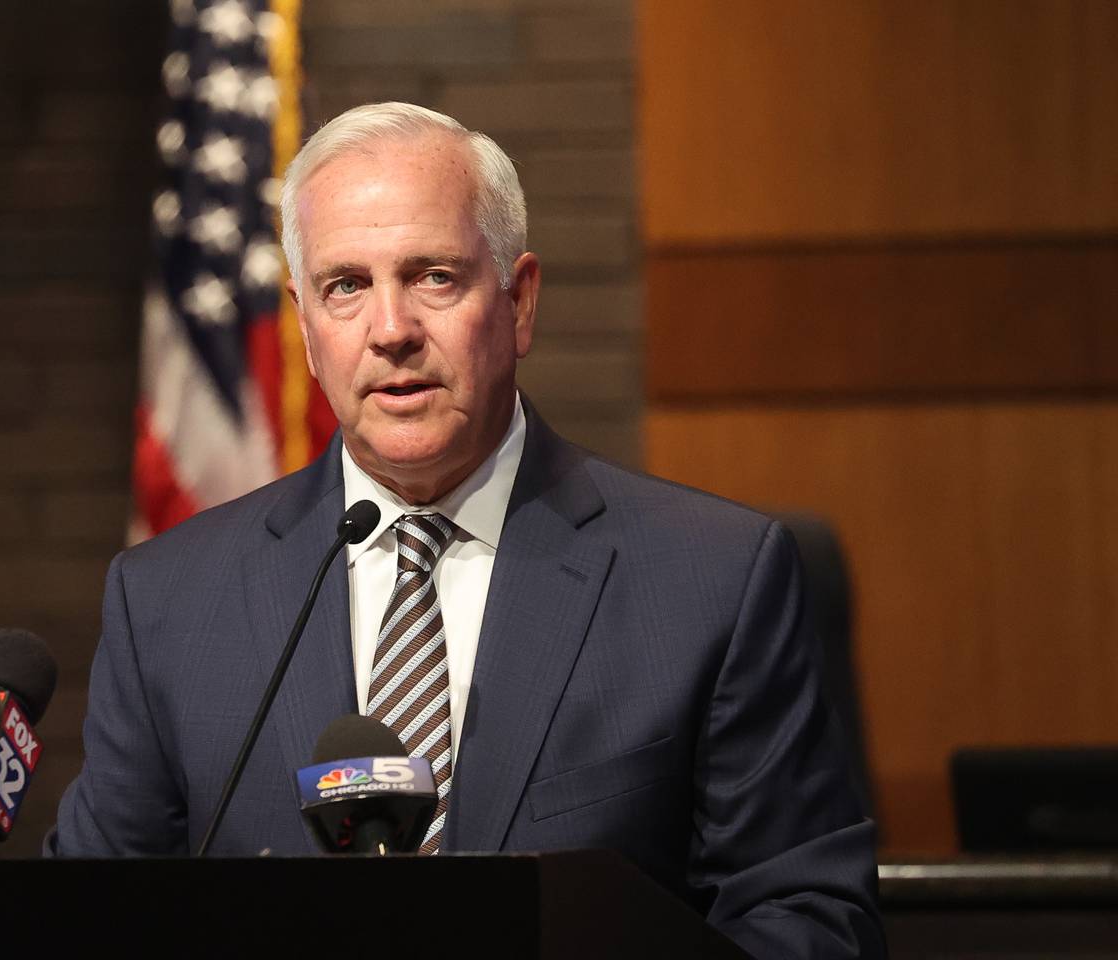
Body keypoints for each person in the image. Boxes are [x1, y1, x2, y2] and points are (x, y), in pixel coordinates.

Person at [48, 102, 882, 958]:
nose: (392, 331)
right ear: (304, 325)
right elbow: (90, 921)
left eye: (433, 277)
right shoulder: (169, 604)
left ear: (519, 302)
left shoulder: (713, 579)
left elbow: (808, 923)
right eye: (346, 287)